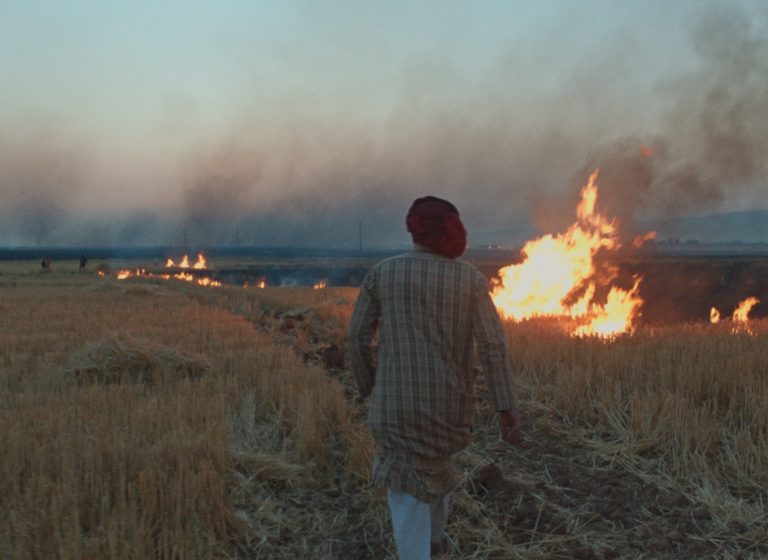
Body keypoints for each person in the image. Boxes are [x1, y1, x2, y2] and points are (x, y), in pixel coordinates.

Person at [348, 196, 523, 559]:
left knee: (407, 492)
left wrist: (371, 387)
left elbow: (356, 339)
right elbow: (492, 346)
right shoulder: (470, 279)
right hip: (449, 412)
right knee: (438, 476)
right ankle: (434, 545)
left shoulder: (382, 273)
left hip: (394, 412)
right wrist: (506, 407)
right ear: (451, 231)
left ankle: (421, 551)